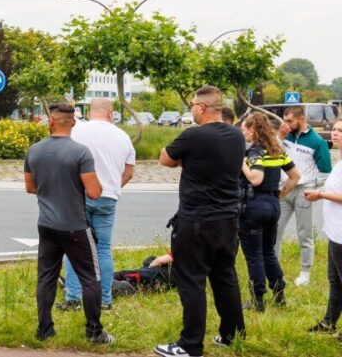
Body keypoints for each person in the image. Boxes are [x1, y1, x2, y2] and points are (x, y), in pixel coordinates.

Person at [154, 85, 246, 357]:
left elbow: (165, 159)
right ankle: (232, 334)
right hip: (228, 219)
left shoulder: (192, 136)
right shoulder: (237, 135)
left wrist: (187, 161)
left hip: (196, 220)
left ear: (202, 108)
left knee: (191, 280)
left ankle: (190, 345)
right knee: (225, 277)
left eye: (192, 105)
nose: (191, 109)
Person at [24, 103, 115, 345]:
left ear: (50, 122)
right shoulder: (81, 153)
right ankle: (95, 332)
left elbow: (30, 187)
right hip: (75, 226)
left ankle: (44, 329)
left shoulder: (33, 151)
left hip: (46, 225)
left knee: (46, 277)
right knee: (90, 277)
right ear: (73, 123)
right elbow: (95, 193)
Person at [60, 98, 136, 310]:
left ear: (89, 112)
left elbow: (65, 160)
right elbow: (129, 172)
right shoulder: (123, 137)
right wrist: (112, 187)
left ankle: (73, 298)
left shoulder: (79, 131)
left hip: (79, 196)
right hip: (107, 198)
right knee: (103, 248)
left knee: (74, 246)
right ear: (111, 113)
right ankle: (104, 300)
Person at [238, 113, 300, 311]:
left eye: (244, 130)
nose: (243, 134)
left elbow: (256, 178)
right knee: (268, 252)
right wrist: (279, 196)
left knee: (254, 255)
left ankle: (258, 300)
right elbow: (295, 176)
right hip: (273, 204)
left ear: (253, 131)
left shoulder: (255, 151)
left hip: (255, 205)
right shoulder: (276, 149)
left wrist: (243, 165)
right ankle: (279, 294)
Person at [274, 105, 333, 286]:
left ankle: (305, 272)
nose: (287, 124)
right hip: (284, 189)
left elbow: (325, 172)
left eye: (290, 121)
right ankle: (273, 268)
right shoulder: (285, 136)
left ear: (303, 119)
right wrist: (279, 137)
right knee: (274, 230)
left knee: (304, 233)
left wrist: (311, 186)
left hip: (304, 191)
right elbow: (270, 152)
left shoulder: (317, 141)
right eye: (285, 120)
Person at [304, 117, 342, 342]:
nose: (335, 133)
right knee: (335, 280)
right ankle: (329, 322)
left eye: (340, 131)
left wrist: (321, 195)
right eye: (334, 129)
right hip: (334, 232)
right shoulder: (339, 161)